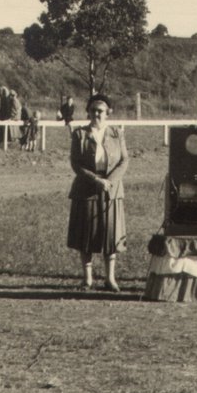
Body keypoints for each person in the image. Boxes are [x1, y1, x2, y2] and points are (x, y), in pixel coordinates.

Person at [66, 94, 129, 292]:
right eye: (92, 111)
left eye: (100, 111)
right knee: (86, 234)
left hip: (111, 190)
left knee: (110, 235)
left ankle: (110, 279)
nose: (96, 115)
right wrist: (96, 180)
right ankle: (88, 279)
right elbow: (76, 163)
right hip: (86, 189)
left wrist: (109, 181)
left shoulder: (117, 134)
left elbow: (124, 161)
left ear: (108, 113)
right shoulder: (80, 135)